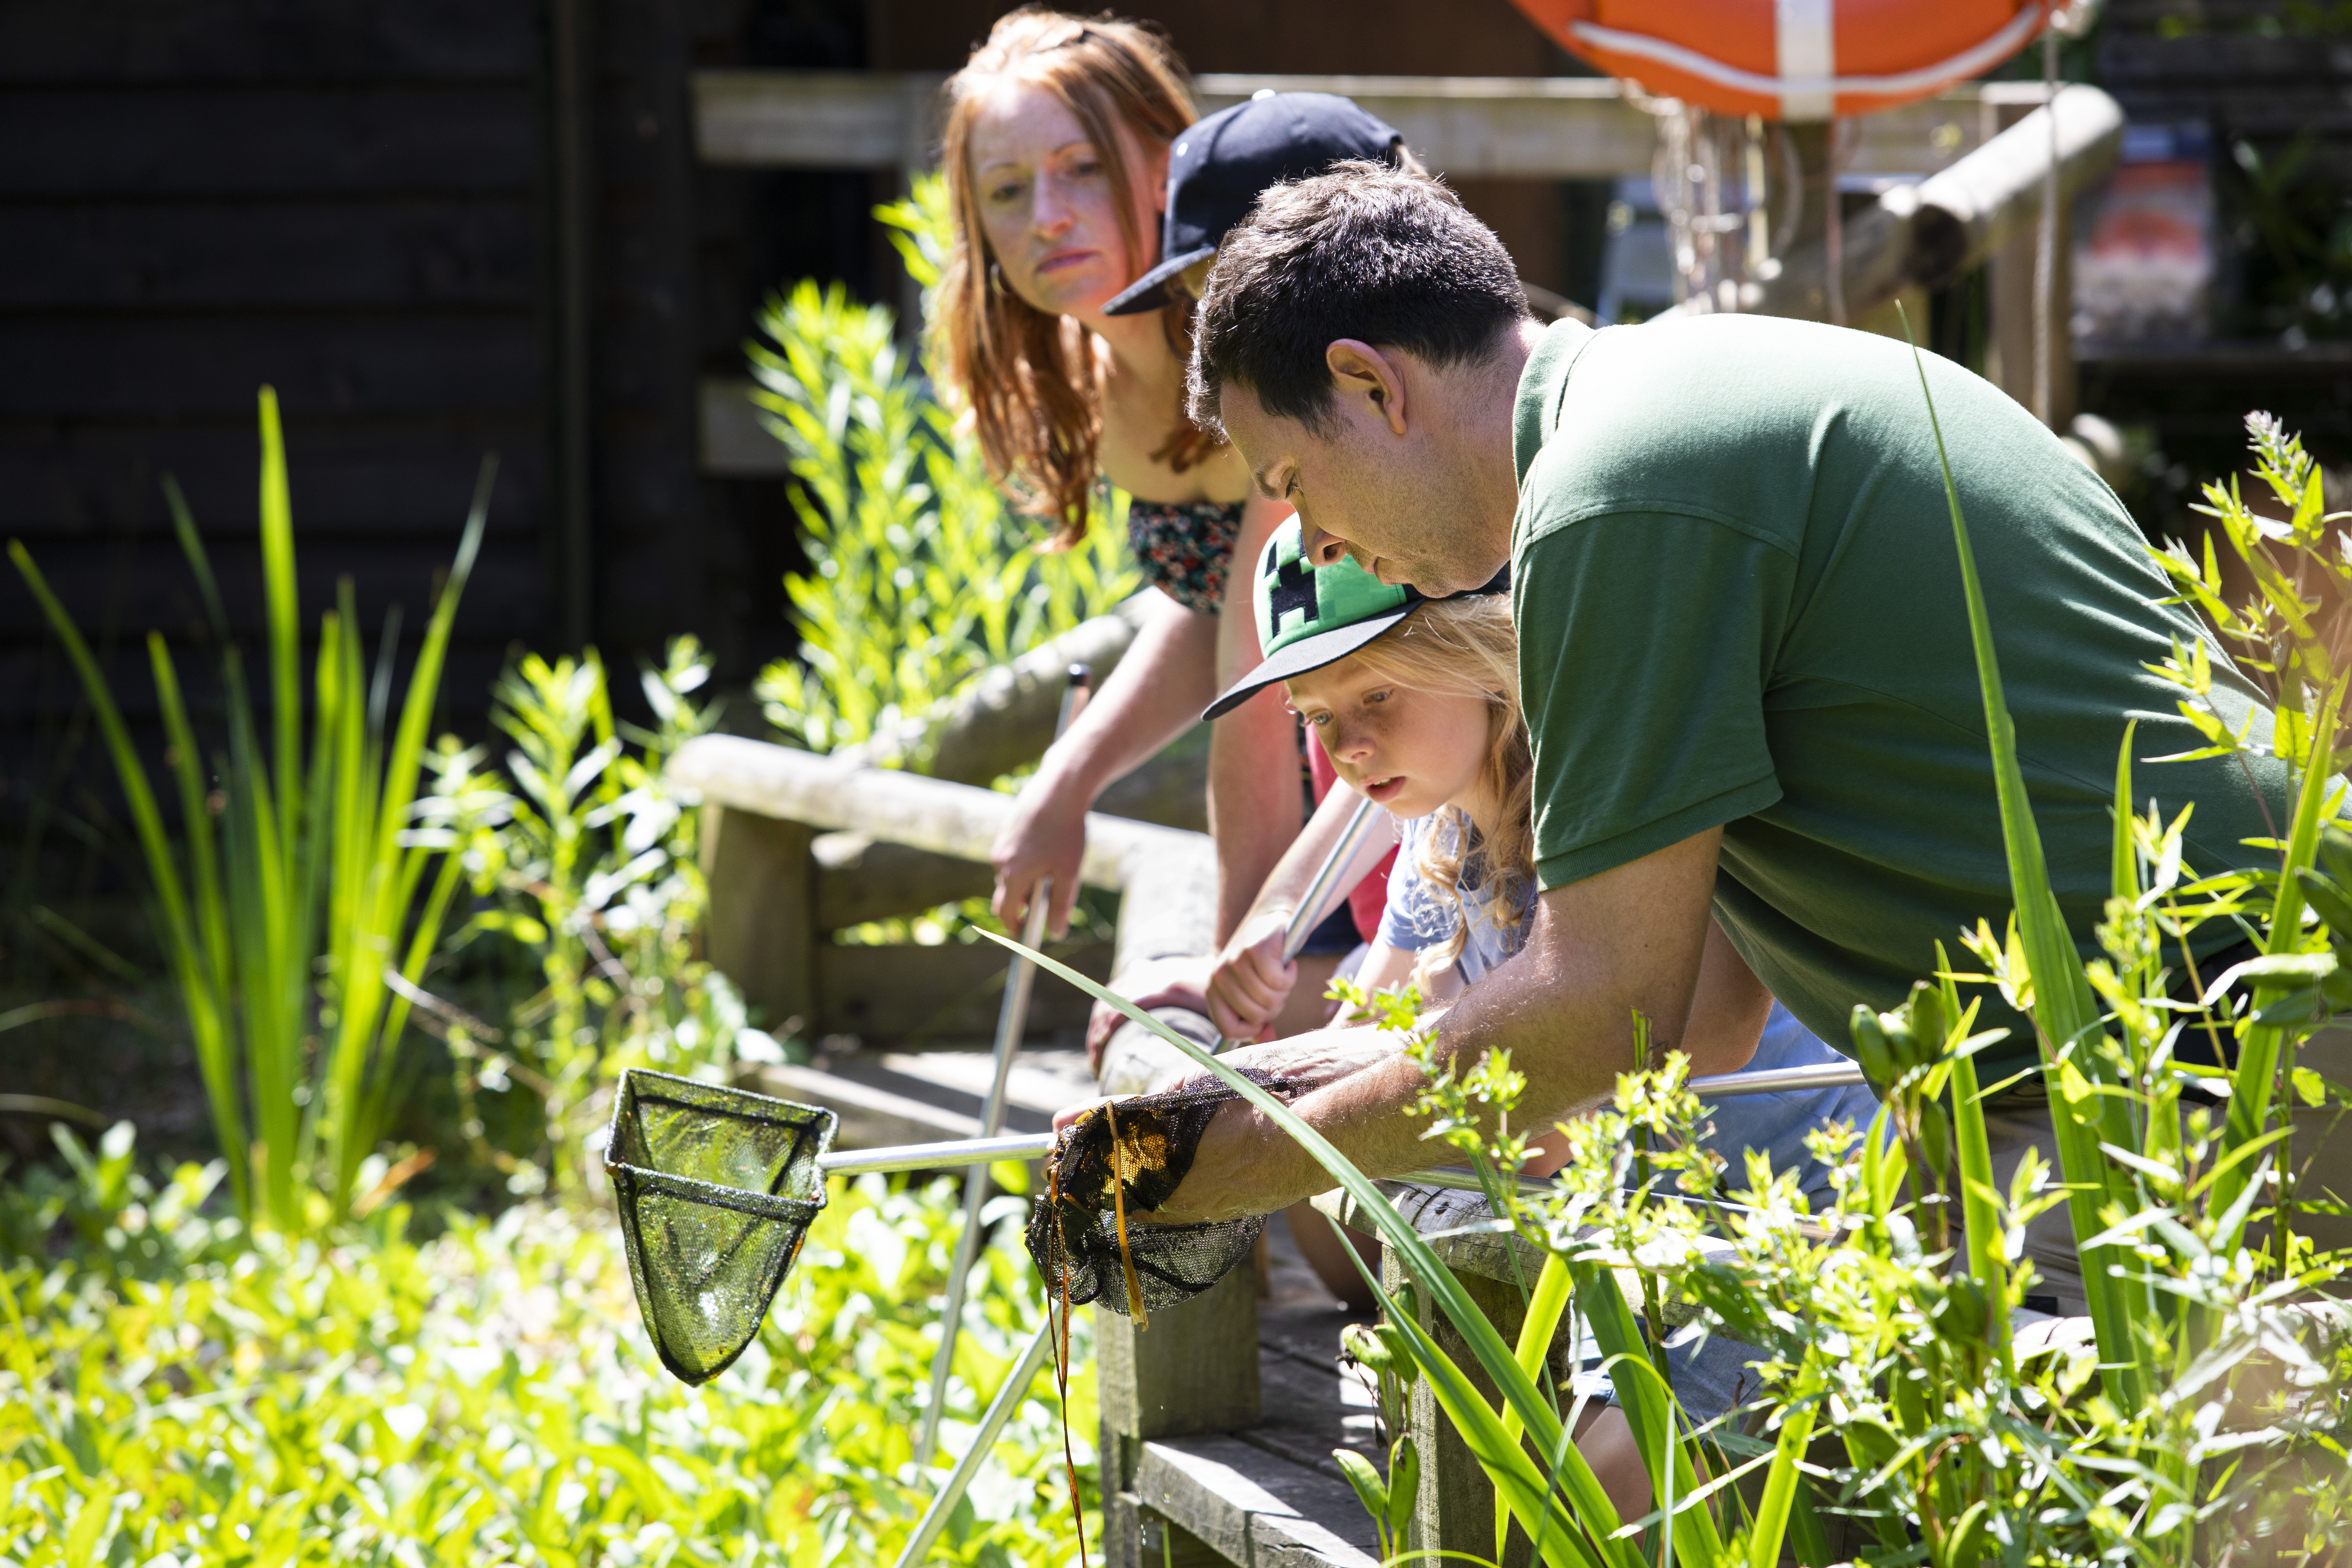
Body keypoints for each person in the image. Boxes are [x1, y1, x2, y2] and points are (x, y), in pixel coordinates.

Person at [1138, 160, 2297, 1327]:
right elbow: (1707, 1011)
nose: (1320, 546)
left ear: (1370, 385)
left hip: (2227, 1038)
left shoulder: (1614, 494)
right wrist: (1283, 1086)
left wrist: (1218, 1170)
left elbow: (1603, 1014)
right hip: (2115, 1051)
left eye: (1295, 481)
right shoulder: (1656, 409)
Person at [930, 10, 1407, 945]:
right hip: (1328, 795)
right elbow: (1209, 611)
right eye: (1007, 190)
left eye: (1082, 169)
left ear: (1165, 160)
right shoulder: (1079, 382)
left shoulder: (1257, 355)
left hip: (1414, 779)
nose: (1048, 216)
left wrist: (1232, 988)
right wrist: (1066, 783)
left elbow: (1258, 682)